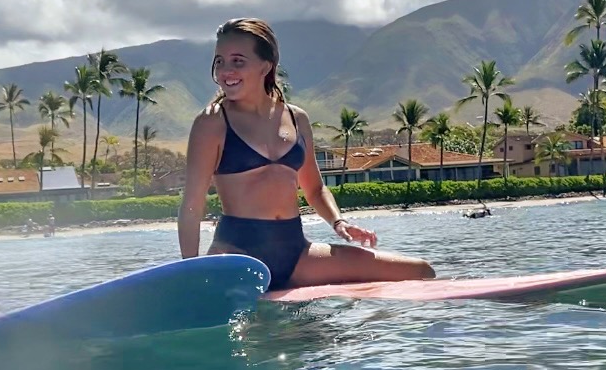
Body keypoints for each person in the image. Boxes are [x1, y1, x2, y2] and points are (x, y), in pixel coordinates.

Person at [178, 17, 436, 291]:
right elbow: (192, 204)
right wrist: (192, 270)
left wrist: (339, 222)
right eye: (219, 61)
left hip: (297, 253)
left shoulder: (296, 118)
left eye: (238, 61)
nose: (225, 70)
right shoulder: (212, 123)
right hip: (237, 256)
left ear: (265, 65)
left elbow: (314, 189)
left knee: (420, 271)